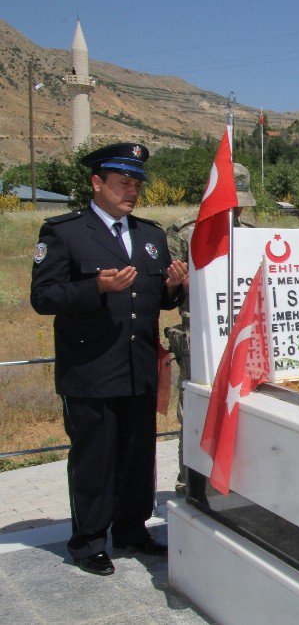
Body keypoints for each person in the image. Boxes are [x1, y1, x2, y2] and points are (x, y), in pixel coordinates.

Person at [30, 143, 187, 576]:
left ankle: (132, 529)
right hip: (92, 367)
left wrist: (174, 286)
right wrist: (94, 288)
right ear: (97, 183)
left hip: (139, 365)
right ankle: (89, 540)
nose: (131, 191)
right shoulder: (65, 232)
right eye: (123, 183)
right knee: (95, 457)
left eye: (136, 184)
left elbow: (156, 300)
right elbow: (43, 297)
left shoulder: (151, 235)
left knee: (139, 454)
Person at [164, 163, 256, 495]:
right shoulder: (184, 232)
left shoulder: (248, 230)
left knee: (240, 409)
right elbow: (165, 292)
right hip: (199, 340)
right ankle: (190, 484)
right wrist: (179, 285)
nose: (237, 209)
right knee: (194, 413)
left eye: (241, 202)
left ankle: (233, 482)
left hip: (240, 339)